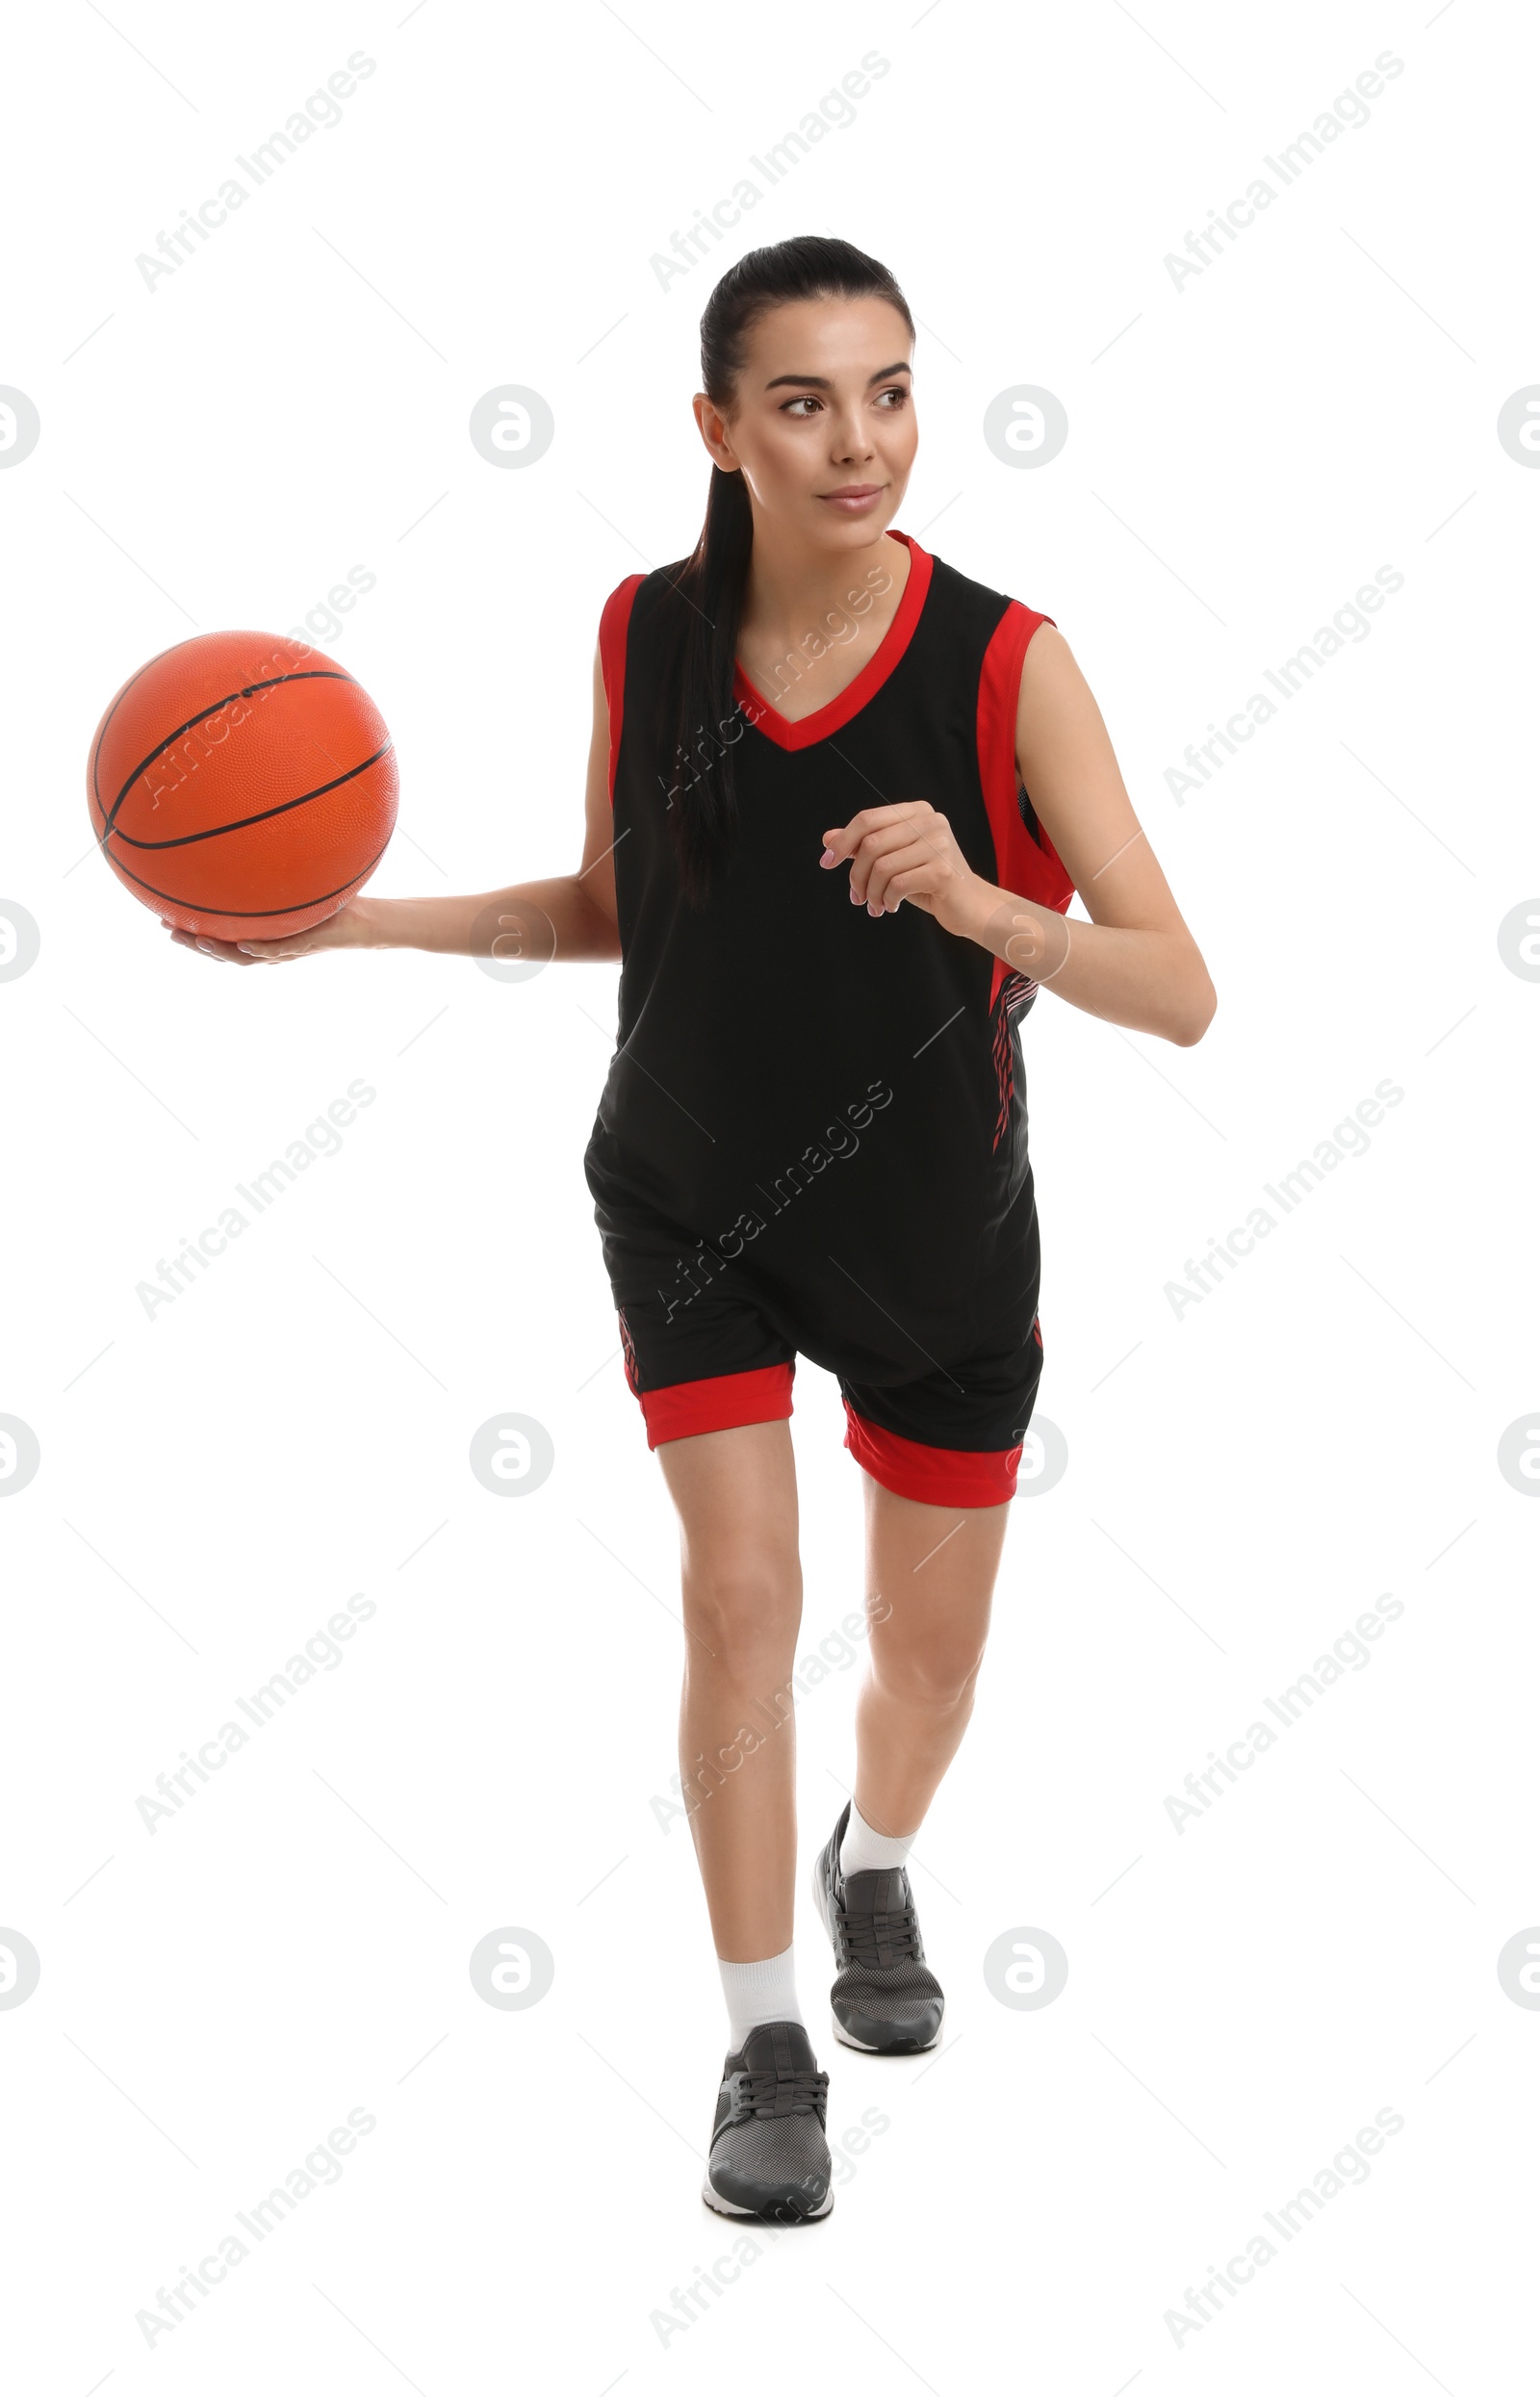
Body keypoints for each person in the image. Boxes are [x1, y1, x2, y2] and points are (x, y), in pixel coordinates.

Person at [169, 234, 1217, 2226]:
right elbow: (623, 909)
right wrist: (353, 921)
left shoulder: (1006, 660)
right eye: (806, 401)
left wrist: (982, 904)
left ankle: (876, 1859)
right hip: (685, 1191)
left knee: (925, 1665)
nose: (860, 441)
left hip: (933, 1234)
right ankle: (761, 2042)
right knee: (738, 1598)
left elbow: (1178, 987)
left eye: (890, 390)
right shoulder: (643, 634)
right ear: (717, 428)